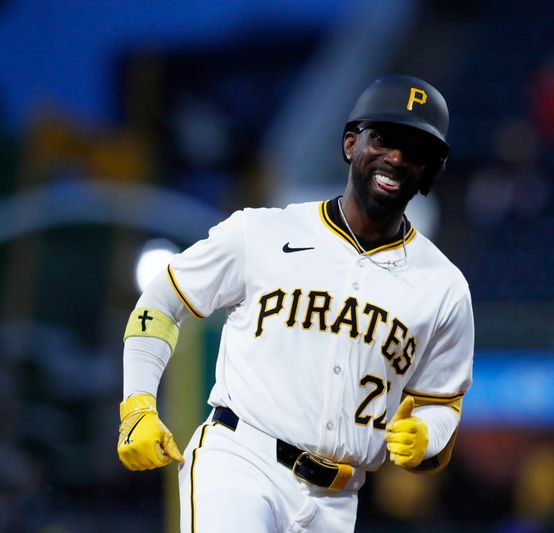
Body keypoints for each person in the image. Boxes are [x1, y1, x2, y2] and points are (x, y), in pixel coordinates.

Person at [116, 75, 475, 533]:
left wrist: (427, 437)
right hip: (242, 461)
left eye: (416, 150)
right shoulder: (262, 233)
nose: (397, 157)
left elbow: (441, 403)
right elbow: (160, 303)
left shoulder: (444, 287)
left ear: (431, 171)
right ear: (351, 143)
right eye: (384, 138)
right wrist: (138, 406)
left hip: (338, 501)